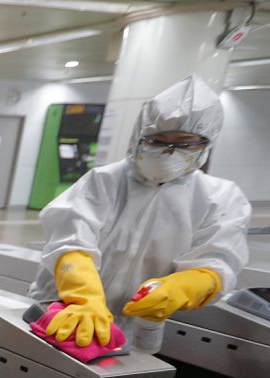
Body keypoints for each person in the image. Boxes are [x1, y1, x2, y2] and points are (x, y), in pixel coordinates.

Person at [30, 74, 250, 347]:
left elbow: (219, 262)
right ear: (140, 137)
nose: (170, 152)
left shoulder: (220, 197)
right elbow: (70, 241)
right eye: (158, 141)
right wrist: (84, 297)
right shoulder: (104, 180)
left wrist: (185, 286)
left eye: (185, 144)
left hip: (139, 329)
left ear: (205, 144)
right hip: (67, 312)